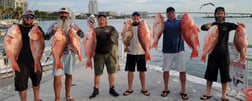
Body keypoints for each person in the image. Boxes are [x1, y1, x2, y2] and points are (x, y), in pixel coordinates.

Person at [200, 7, 245, 101]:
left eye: (221, 13)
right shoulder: (212, 25)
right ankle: (208, 93)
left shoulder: (228, 25)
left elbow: (239, 28)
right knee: (209, 75)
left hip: (224, 54)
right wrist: (206, 26)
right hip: (212, 54)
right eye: (218, 13)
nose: (219, 15)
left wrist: (242, 26)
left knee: (225, 76)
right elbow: (202, 27)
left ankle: (224, 95)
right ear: (215, 15)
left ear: (224, 15)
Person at [44, 7, 84, 101]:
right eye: (61, 13)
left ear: (68, 15)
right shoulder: (54, 24)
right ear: (59, 14)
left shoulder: (73, 24)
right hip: (58, 55)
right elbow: (46, 37)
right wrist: (52, 32)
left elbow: (82, 35)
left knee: (69, 74)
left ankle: (67, 95)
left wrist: (78, 30)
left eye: (65, 13)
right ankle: (57, 98)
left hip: (70, 53)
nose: (63, 15)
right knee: (57, 76)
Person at [160, 7, 189, 100]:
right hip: (167, 51)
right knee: (166, 70)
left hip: (179, 50)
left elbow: (188, 26)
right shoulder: (164, 24)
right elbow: (157, 32)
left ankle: (183, 90)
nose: (170, 14)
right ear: (166, 14)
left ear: (174, 13)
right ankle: (166, 88)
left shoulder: (180, 22)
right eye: (168, 13)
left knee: (182, 70)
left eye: (172, 12)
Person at [15, 10, 44, 101]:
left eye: (31, 17)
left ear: (34, 18)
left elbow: (43, 40)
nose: (29, 18)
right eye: (26, 16)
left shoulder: (37, 28)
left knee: (36, 81)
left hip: (35, 60)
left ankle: (37, 99)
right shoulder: (17, 28)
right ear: (22, 17)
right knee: (22, 85)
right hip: (21, 62)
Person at [88, 14, 119, 99]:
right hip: (98, 54)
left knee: (111, 72)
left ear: (106, 20)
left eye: (103, 18)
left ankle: (112, 88)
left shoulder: (111, 28)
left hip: (110, 54)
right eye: (100, 18)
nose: (101, 19)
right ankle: (96, 89)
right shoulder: (94, 30)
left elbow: (116, 37)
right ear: (97, 20)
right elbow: (89, 41)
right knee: (97, 73)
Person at [122, 11, 150, 96]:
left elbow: (149, 35)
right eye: (134, 17)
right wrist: (124, 29)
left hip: (142, 52)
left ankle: (143, 89)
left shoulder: (143, 25)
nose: (135, 18)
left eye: (137, 17)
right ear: (132, 18)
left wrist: (148, 48)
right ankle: (130, 89)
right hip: (131, 52)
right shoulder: (129, 26)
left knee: (142, 71)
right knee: (130, 71)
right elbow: (124, 36)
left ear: (139, 18)